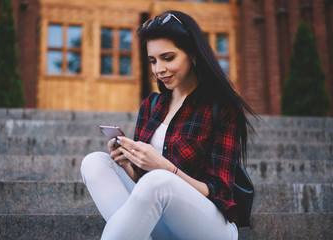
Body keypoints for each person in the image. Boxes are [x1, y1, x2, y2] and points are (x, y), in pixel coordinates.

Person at [81, 10, 256, 240]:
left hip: (209, 224)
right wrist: (125, 163)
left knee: (158, 181)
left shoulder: (222, 108)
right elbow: (143, 182)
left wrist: (166, 169)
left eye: (168, 58)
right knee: (95, 162)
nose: (158, 69)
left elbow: (220, 191)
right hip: (160, 216)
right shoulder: (151, 105)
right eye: (153, 60)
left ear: (192, 54)